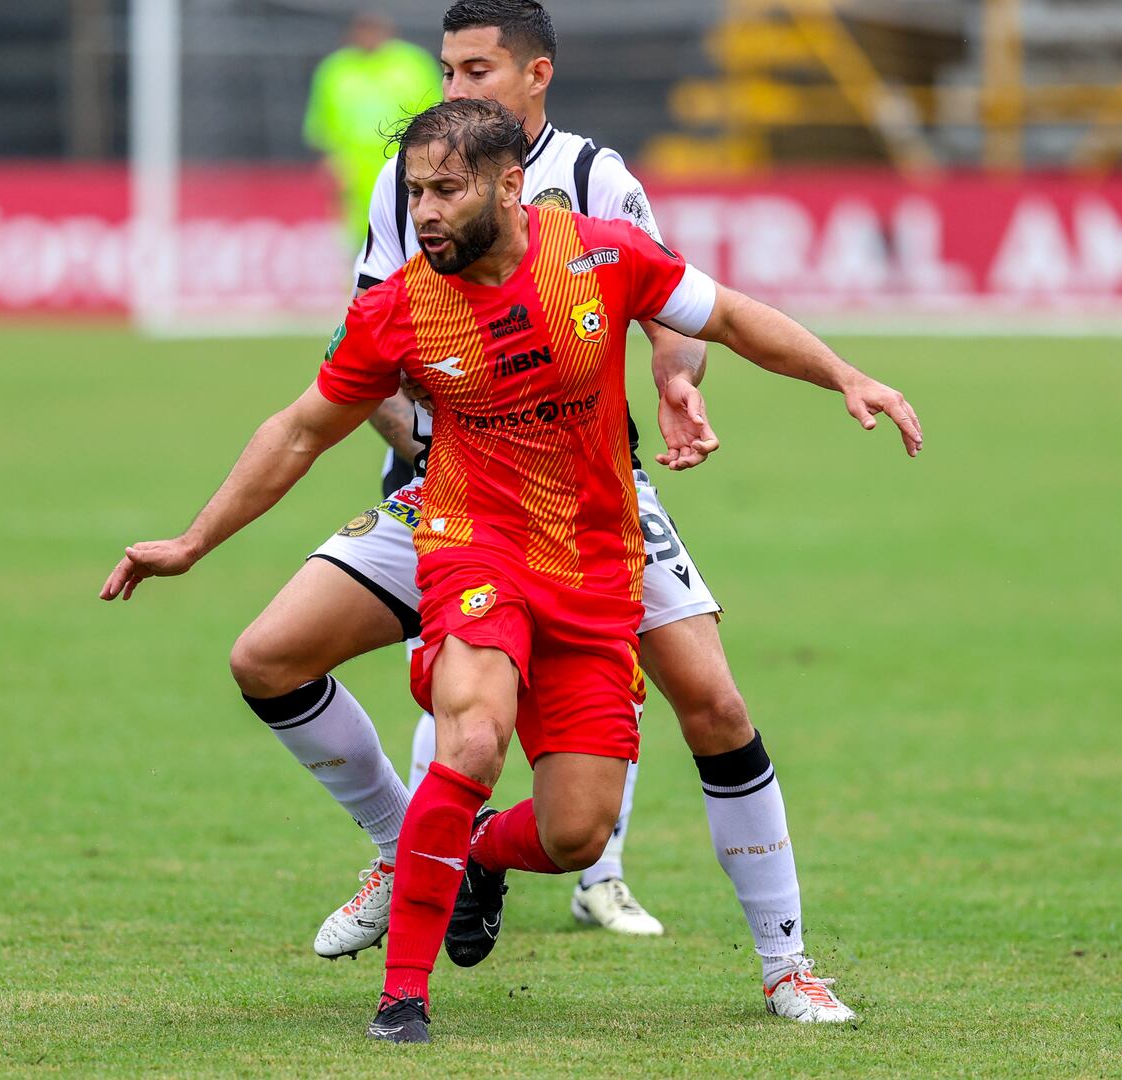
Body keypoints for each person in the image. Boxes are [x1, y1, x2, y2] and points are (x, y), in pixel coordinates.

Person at [103, 99, 920, 1044]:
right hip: (470, 544)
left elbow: (727, 316)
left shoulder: (602, 255)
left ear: (507, 184)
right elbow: (296, 433)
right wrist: (193, 543)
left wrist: (846, 376)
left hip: (595, 559)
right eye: (415, 193)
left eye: (446, 189)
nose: (427, 212)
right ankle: (402, 995)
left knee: (578, 831)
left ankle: (468, 854)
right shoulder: (399, 307)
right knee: (473, 736)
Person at [244, 0, 855, 1026]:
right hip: (449, 501)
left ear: (536, 77)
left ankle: (784, 965)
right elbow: (370, 355)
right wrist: (432, 448)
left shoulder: (599, 183)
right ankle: (408, 855)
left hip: (594, 503)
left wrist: (679, 383)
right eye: (444, 69)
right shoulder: (417, 185)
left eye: (476, 69)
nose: (453, 90)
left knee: (713, 703)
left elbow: (680, 312)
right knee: (272, 656)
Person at [303, 13, 442, 247]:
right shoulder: (335, 71)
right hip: (354, 177)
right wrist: (330, 163)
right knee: (359, 244)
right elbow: (322, 127)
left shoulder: (413, 65)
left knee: (409, 236)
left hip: (406, 171)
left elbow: (437, 117)